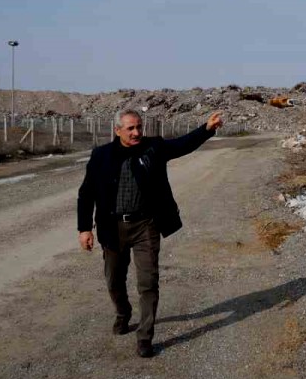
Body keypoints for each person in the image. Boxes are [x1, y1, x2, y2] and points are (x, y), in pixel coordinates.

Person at [77, 108, 224, 358]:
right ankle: (123, 313)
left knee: (148, 283)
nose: (136, 133)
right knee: (114, 280)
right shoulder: (101, 156)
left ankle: (145, 337)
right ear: (117, 130)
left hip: (145, 225)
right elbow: (86, 193)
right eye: (130, 128)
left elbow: (182, 145)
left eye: (139, 127)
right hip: (112, 228)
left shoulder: (153, 148)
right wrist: (84, 229)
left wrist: (206, 129)